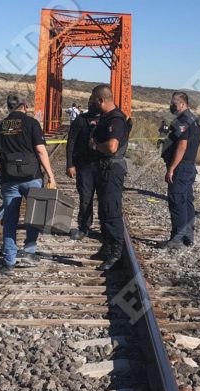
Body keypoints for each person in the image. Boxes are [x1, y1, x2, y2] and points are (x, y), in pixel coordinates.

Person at [0, 94, 56, 275]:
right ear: (24, 106)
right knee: (34, 215)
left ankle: (9, 263)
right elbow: (40, 151)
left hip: (9, 180)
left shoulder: (0, 126)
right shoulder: (32, 124)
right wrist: (50, 176)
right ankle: (29, 252)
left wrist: (2, 165)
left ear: (9, 107)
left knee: (10, 221)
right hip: (32, 177)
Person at [88, 84, 132, 271]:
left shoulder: (116, 119)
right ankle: (107, 247)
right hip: (104, 168)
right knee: (104, 211)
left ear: (101, 100)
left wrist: (95, 146)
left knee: (111, 212)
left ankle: (116, 252)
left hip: (112, 169)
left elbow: (112, 147)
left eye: (94, 101)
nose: (93, 105)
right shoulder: (107, 118)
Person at [161, 92, 200, 249]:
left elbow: (182, 146)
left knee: (177, 201)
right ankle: (188, 237)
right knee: (186, 202)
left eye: (174, 104)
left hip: (181, 167)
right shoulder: (194, 120)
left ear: (183, 104)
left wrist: (171, 168)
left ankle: (177, 239)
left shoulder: (183, 121)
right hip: (189, 167)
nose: (172, 107)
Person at [66, 96, 100, 241]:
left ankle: (106, 229)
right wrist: (70, 164)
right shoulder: (80, 120)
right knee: (85, 198)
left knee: (105, 199)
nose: (92, 105)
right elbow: (71, 143)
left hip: (103, 165)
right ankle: (84, 227)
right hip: (84, 166)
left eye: (95, 103)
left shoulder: (108, 119)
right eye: (90, 103)